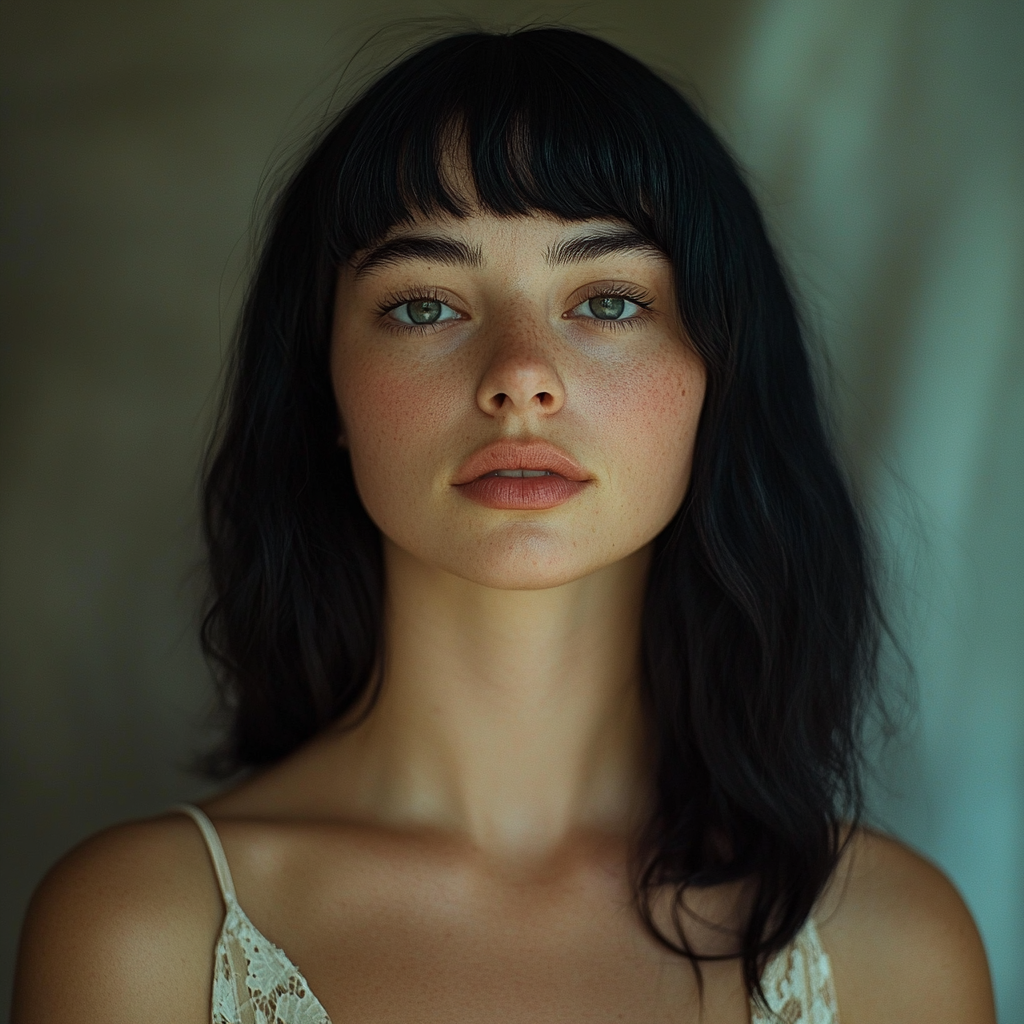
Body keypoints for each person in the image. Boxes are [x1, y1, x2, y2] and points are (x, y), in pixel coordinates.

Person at [12, 27, 995, 1024]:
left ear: (718, 377)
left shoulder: (891, 948)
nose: (520, 373)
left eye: (608, 299)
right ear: (324, 393)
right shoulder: (143, 937)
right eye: (425, 306)